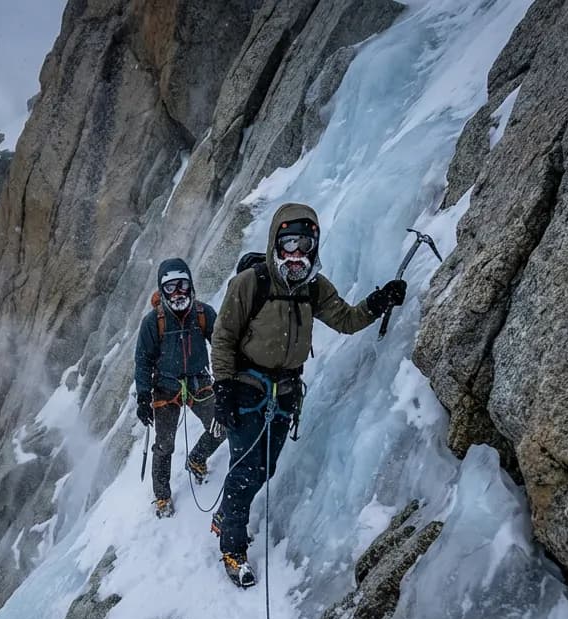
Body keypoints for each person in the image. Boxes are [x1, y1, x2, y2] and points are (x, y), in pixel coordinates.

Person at [209, 203, 407, 587]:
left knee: (263, 468)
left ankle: (224, 516)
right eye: (288, 244)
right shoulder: (251, 283)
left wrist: (378, 301)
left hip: (284, 395)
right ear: (275, 245)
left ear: (313, 247)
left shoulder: (314, 287)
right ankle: (232, 548)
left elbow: (346, 319)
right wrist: (223, 388)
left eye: (304, 244)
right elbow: (224, 337)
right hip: (247, 390)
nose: (296, 254)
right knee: (246, 469)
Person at [133, 258, 226, 518]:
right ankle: (162, 496)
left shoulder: (203, 314)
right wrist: (143, 396)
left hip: (199, 382)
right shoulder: (153, 322)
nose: (178, 293)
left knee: (222, 427)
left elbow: (221, 345)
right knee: (164, 446)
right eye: (171, 287)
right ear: (162, 290)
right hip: (165, 388)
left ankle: (197, 458)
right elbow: (142, 361)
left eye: (183, 285)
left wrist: (226, 378)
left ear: (191, 285)